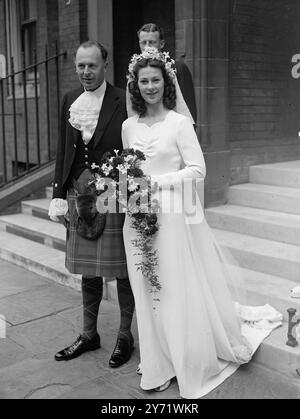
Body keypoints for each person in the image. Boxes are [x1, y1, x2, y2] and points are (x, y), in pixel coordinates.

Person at [121, 48, 281, 398]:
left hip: (171, 218)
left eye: (156, 80)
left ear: (167, 84)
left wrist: (155, 184)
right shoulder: (127, 126)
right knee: (145, 292)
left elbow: (198, 169)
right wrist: (125, 192)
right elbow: (128, 171)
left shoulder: (178, 124)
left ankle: (184, 359)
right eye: (144, 81)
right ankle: (157, 360)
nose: (150, 87)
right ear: (136, 84)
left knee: (173, 289)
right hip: (136, 219)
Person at [48, 41, 135, 368]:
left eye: (92, 66)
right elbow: (63, 149)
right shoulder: (69, 98)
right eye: (81, 66)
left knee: (123, 272)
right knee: (88, 272)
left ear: (105, 65)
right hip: (78, 195)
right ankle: (89, 334)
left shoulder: (122, 98)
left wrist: (133, 195)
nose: (86, 72)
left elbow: (134, 147)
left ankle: (125, 335)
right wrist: (58, 195)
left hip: (113, 194)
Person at [137, 23, 197, 124]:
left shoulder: (179, 68)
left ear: (161, 44)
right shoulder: (135, 70)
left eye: (151, 42)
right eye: (143, 43)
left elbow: (188, 108)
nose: (147, 47)